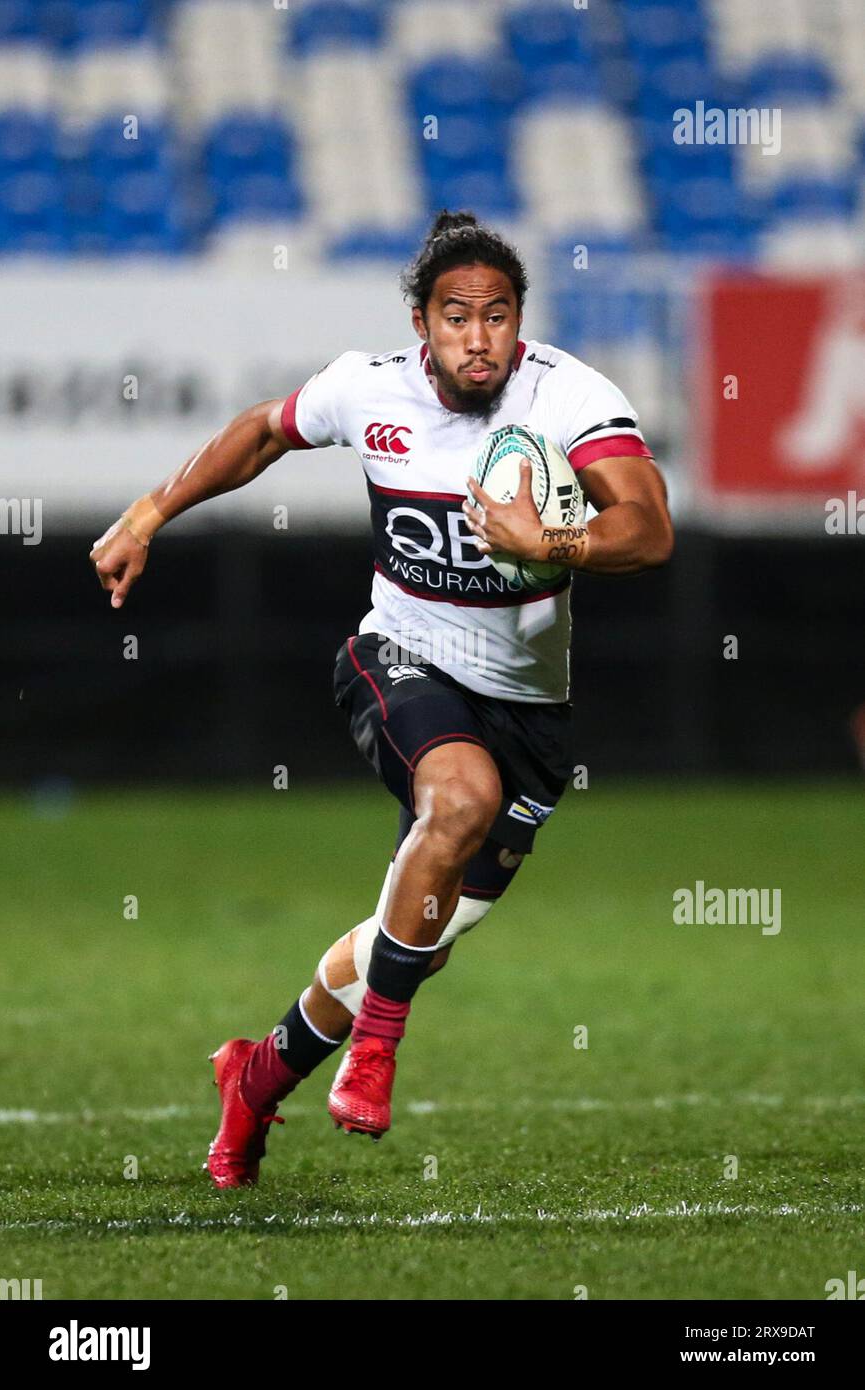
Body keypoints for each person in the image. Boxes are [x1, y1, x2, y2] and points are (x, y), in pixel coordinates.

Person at [89, 210, 674, 1188]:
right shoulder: (370, 390)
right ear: (421, 324)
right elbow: (261, 432)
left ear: (518, 322)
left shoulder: (569, 397)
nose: (477, 336)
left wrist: (551, 544)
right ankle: (374, 1054)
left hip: (527, 709)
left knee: (414, 939)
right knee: (457, 802)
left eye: (496, 315)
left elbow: (648, 529)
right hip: (396, 655)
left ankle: (256, 1076)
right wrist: (151, 511)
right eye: (456, 316)